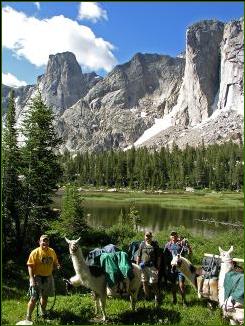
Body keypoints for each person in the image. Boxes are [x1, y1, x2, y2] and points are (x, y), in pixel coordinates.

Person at [25, 235, 60, 322]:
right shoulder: (35, 252)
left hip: (48, 277)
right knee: (33, 298)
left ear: (49, 242)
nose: (45, 243)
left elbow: (55, 262)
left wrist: (57, 266)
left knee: (45, 297)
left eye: (47, 241)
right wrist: (31, 279)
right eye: (43, 241)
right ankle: (28, 317)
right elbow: (30, 266)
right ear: (39, 242)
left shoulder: (52, 251)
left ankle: (43, 313)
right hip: (37, 278)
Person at [164, 231, 192, 306]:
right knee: (173, 284)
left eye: (175, 235)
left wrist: (188, 246)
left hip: (181, 268)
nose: (173, 237)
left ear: (177, 236)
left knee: (181, 285)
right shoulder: (167, 245)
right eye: (172, 236)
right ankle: (174, 299)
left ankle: (184, 301)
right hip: (172, 268)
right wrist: (166, 267)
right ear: (170, 237)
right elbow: (165, 257)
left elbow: (189, 253)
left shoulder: (181, 244)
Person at [136, 231, 161, 305]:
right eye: (146, 236)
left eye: (149, 236)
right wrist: (137, 266)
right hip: (143, 267)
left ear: (151, 237)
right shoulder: (142, 244)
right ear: (144, 236)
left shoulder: (155, 245)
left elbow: (159, 257)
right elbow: (138, 256)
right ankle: (147, 297)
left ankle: (157, 298)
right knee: (144, 282)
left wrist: (158, 267)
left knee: (153, 283)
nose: (148, 237)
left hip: (152, 267)